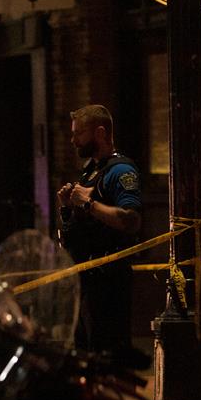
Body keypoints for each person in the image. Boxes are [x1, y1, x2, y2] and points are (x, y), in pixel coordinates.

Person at [56, 104, 142, 355]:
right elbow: (80, 229)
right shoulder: (90, 171)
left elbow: (131, 220)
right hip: (85, 280)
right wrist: (67, 208)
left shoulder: (121, 171)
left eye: (79, 134)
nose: (73, 141)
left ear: (101, 133)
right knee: (84, 352)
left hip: (108, 281)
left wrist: (90, 204)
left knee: (108, 353)